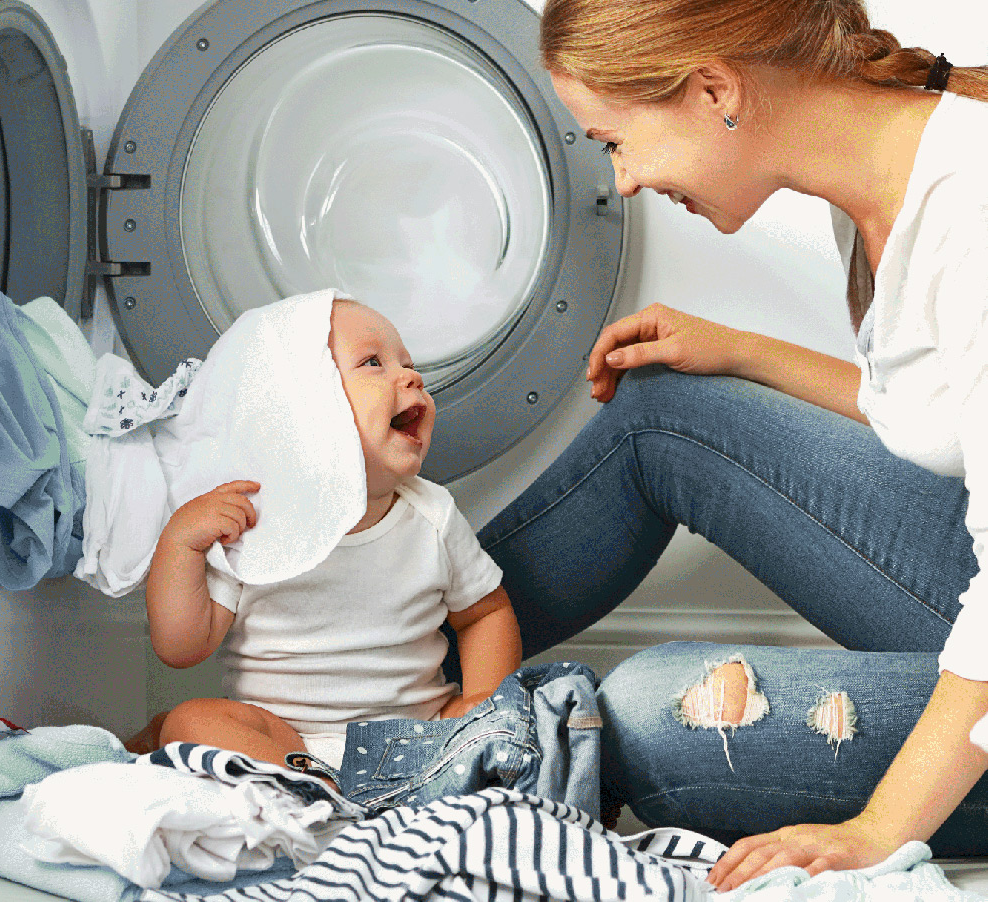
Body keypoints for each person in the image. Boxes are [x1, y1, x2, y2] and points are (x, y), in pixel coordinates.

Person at [476, 0, 988, 890]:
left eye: (614, 140)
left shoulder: (973, 215)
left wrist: (878, 832)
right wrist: (741, 351)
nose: (623, 179)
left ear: (716, 88)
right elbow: (949, 410)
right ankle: (368, 680)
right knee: (666, 410)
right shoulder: (882, 184)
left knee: (648, 714)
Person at [138, 298, 522, 776]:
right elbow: (181, 648)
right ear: (302, 404)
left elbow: (484, 613)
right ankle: (311, 784)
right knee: (190, 721)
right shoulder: (255, 520)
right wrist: (181, 543)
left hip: (417, 733)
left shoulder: (432, 515)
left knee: (526, 719)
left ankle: (343, 793)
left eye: (408, 364)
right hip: (282, 737)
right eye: (373, 363)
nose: (411, 377)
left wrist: (480, 701)